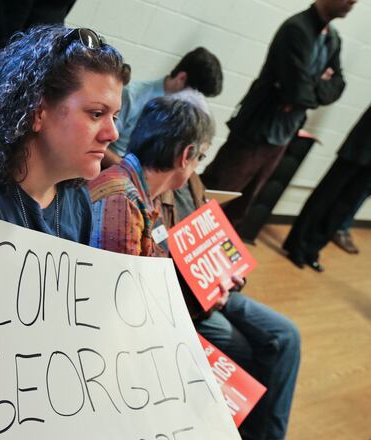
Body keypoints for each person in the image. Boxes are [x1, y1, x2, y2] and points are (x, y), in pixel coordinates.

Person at [91, 93, 301, 440]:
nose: (197, 167)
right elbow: (126, 306)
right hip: (165, 319)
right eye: (200, 157)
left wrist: (219, 277)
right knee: (254, 352)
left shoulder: (148, 190)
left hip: (189, 301)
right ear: (186, 155)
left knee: (280, 339)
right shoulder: (125, 200)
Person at [0, 26, 129, 244]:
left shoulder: (77, 201)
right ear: (38, 112)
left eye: (114, 117)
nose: (112, 134)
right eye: (97, 114)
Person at [200, 0, 353, 237]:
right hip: (256, 129)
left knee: (243, 205)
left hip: (283, 135)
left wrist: (311, 86)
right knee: (218, 193)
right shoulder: (296, 29)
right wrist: (320, 81)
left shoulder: (333, 39)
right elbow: (297, 92)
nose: (353, 2)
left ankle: (217, 263)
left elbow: (339, 85)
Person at [282, 105, 371, 271]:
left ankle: (313, 249)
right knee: (325, 197)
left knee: (344, 206)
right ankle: (297, 245)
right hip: (360, 148)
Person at [103, 46, 223, 167]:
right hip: (112, 169)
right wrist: (131, 172)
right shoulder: (132, 96)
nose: (197, 101)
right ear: (181, 78)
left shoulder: (180, 115)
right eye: (194, 94)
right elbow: (98, 146)